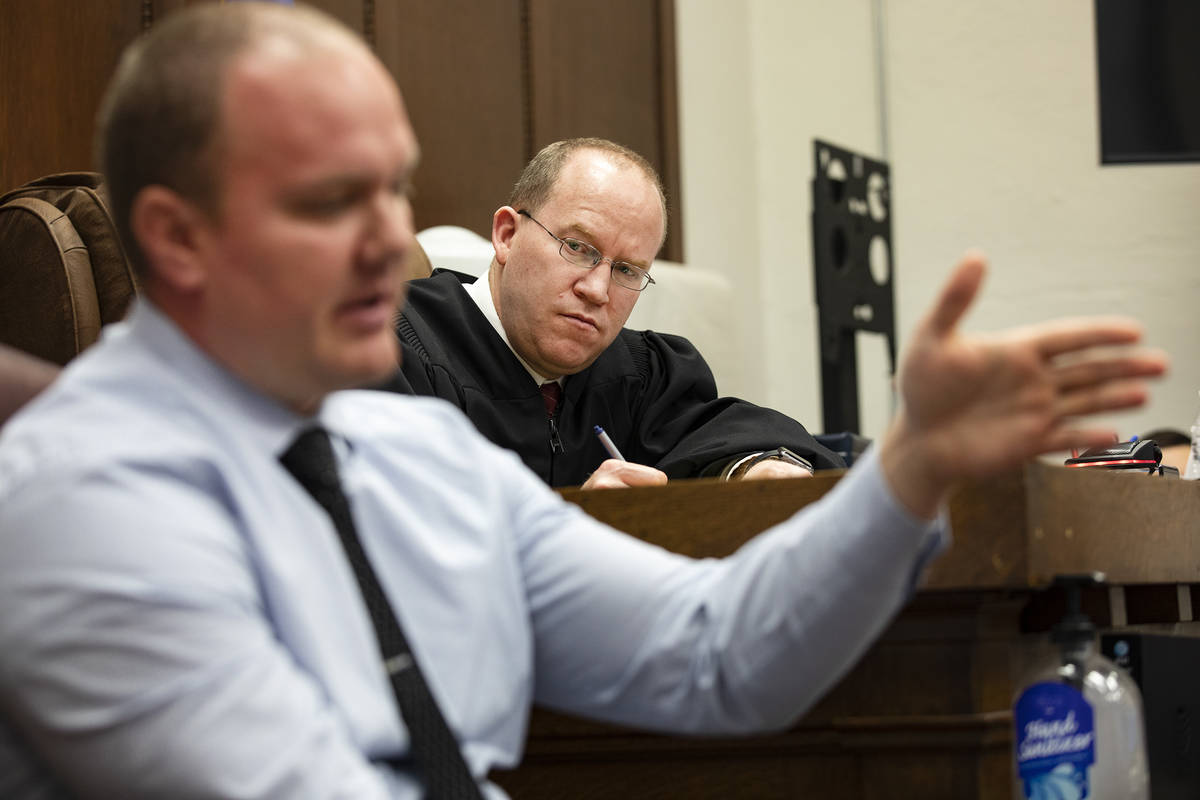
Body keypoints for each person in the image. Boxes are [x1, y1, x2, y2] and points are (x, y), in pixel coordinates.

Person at [0, 4, 1165, 799]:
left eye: (393, 186)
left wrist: (910, 467)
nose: (388, 238)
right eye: (327, 197)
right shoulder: (73, 497)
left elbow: (718, 653)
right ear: (178, 236)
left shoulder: (414, 460)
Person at [385, 138, 844, 488]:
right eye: (578, 248)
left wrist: (758, 471)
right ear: (506, 235)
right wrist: (580, 525)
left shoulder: (642, 376)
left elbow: (727, 436)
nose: (597, 290)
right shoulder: (394, 349)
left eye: (627, 269)